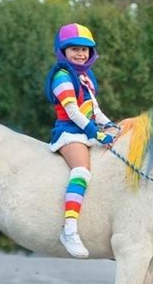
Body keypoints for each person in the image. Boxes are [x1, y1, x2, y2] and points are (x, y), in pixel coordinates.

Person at [45, 23, 115, 258]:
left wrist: (111, 125)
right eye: (74, 48)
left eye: (85, 49)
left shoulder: (86, 76)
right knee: (82, 171)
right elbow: (74, 112)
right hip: (69, 132)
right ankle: (70, 228)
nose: (80, 53)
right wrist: (96, 133)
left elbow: (94, 109)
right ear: (62, 51)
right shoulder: (62, 77)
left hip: (86, 130)